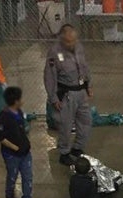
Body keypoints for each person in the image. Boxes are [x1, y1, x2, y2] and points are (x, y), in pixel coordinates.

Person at [44, 25, 93, 165]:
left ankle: (77, 148)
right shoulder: (54, 52)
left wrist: (89, 85)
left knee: (86, 121)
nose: (71, 44)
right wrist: (53, 98)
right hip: (66, 94)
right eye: (68, 41)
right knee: (65, 125)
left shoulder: (79, 48)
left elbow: (84, 67)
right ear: (61, 39)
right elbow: (50, 76)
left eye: (73, 40)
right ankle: (64, 152)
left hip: (81, 92)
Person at [0, 86, 42, 198]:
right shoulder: (4, 116)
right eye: (20, 98)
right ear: (16, 101)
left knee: (28, 176)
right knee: (12, 176)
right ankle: (9, 195)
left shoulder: (19, 112)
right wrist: (15, 148)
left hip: (25, 152)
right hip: (11, 155)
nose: (22, 100)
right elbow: (0, 137)